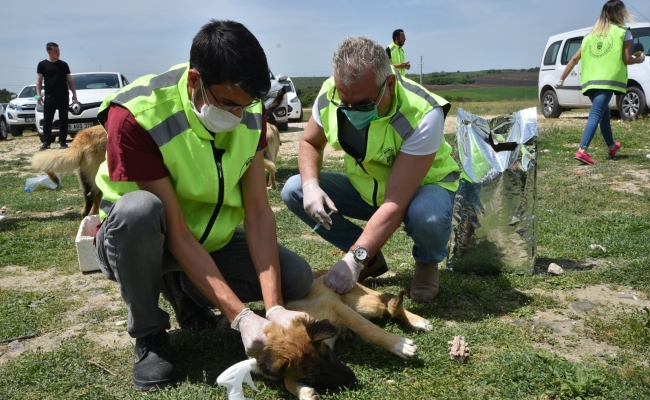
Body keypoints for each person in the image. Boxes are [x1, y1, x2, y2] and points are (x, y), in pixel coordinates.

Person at [93, 20, 313, 391]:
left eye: (247, 106)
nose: (239, 117)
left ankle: (186, 292)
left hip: (210, 238)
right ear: (195, 81)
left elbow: (258, 212)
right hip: (143, 239)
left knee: (297, 278)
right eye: (228, 104)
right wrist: (241, 317)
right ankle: (149, 334)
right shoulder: (136, 115)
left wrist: (273, 308)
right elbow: (175, 231)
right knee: (139, 211)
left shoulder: (249, 109)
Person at [281, 37, 460, 303]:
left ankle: (426, 262)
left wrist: (355, 258)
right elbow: (310, 142)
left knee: (427, 217)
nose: (352, 113)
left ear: (389, 84)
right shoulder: (330, 94)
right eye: (346, 104)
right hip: (366, 190)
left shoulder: (423, 114)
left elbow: (396, 200)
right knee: (294, 190)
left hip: (421, 190)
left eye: (363, 105)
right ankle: (371, 259)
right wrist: (310, 185)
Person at [556, 0, 646, 165]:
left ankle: (612, 146)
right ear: (620, 13)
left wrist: (561, 79)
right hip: (607, 80)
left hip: (589, 82)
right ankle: (582, 150)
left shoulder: (590, 35)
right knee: (596, 114)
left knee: (604, 115)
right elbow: (627, 59)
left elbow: (574, 58)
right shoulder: (623, 32)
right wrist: (639, 59)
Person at [36, 42, 78, 150]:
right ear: (48, 51)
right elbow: (38, 81)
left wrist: (74, 94)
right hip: (50, 96)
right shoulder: (42, 64)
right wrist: (38, 96)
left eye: (58, 50)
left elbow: (70, 80)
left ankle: (63, 141)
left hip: (64, 95)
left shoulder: (64, 64)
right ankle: (46, 142)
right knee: (47, 119)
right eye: (55, 51)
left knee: (64, 119)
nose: (58, 53)